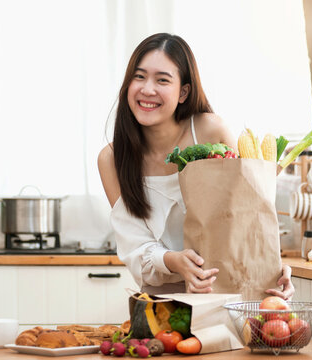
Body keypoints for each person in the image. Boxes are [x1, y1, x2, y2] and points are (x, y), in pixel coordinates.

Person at [98, 33, 294, 298]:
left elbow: (247, 215)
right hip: (162, 302)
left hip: (223, 292)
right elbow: (135, 245)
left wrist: (273, 266)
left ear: (183, 92)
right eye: (139, 76)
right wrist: (174, 260)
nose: (147, 89)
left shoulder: (210, 131)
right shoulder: (112, 159)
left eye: (162, 80)